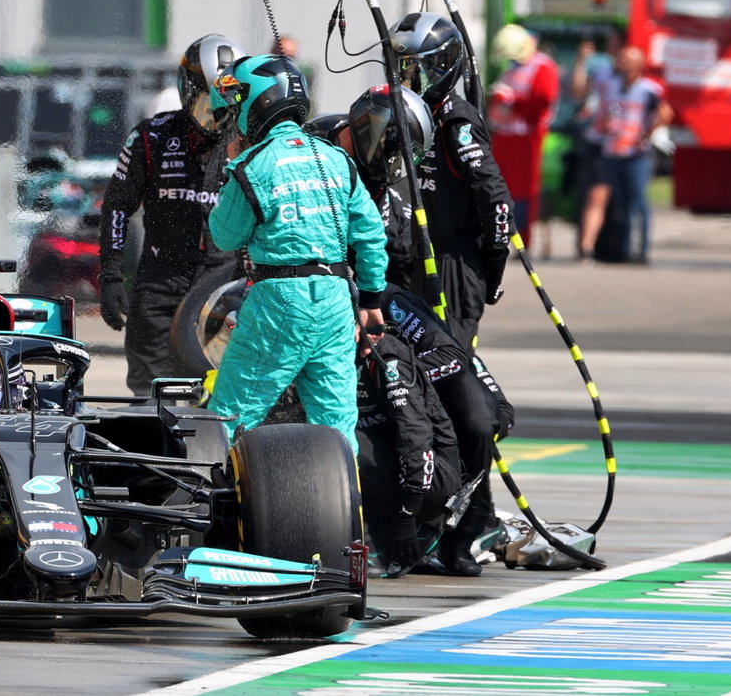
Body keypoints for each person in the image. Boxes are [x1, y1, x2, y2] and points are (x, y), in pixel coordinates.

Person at [315, 91, 511, 576]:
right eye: (389, 152)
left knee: (482, 416)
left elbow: (399, 264)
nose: (393, 166)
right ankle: (374, 521)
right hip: (312, 294)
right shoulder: (314, 148)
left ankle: (461, 528)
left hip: (382, 297)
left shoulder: (393, 191)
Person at [206, 54, 387, 453]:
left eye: (237, 103)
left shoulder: (250, 164)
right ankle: (344, 509)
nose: (232, 114)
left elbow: (224, 236)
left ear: (257, 102)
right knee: (337, 426)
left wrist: (231, 168)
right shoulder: (339, 160)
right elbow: (372, 234)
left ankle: (208, 504)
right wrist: (371, 298)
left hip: (279, 302)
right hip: (338, 301)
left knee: (230, 416)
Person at [99, 34, 243, 397]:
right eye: (206, 105)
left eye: (222, 105)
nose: (213, 117)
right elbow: (117, 206)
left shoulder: (249, 143)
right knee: (150, 393)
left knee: (221, 393)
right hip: (160, 281)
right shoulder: (151, 137)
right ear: (188, 90)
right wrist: (111, 276)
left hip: (223, 286)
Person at [390, 11, 514, 352]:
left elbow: (497, 201)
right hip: (408, 261)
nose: (406, 79)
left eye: (415, 69)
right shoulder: (409, 117)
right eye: (400, 68)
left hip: (452, 267)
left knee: (447, 367)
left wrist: (493, 267)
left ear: (442, 66)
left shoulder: (455, 123)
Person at [355, 328, 462, 579]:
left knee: (343, 443)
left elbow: (414, 435)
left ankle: (411, 526)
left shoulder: (388, 361)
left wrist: (407, 514)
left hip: (431, 473)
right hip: (387, 456)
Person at [577, 46, 670, 264]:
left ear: (638, 65)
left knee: (638, 202)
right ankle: (625, 250)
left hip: (637, 154)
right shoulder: (612, 87)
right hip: (613, 151)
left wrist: (646, 134)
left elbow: (665, 113)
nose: (619, 63)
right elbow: (605, 111)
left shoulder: (649, 89)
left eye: (625, 60)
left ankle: (642, 250)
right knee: (621, 204)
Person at [487, 24, 560, 241]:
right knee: (497, 186)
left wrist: (513, 101)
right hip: (505, 135)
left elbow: (542, 103)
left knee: (523, 190)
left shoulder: (542, 68)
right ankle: (497, 235)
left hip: (527, 137)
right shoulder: (512, 68)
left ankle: (522, 237)